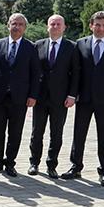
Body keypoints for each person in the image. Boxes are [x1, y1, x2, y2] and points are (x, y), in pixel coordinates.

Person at [62, 10, 104, 187]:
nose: (101, 28)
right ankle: (76, 166)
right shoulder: (81, 44)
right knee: (79, 134)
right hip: (84, 98)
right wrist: (72, 94)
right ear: (91, 25)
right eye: (97, 25)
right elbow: (76, 72)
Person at [0, 13, 40, 177]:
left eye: (20, 24)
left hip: (20, 97)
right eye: (14, 23)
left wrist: (33, 95)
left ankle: (10, 162)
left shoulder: (31, 48)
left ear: (25, 28)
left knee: (15, 132)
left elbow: (35, 74)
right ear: (8, 25)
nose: (17, 27)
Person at [28, 15, 79, 178]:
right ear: (47, 26)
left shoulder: (72, 47)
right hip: (40, 98)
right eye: (52, 24)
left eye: (58, 24)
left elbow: (76, 74)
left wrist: (72, 95)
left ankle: (52, 164)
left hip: (60, 98)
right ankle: (34, 163)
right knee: (37, 132)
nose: (55, 26)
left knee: (56, 133)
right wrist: (31, 94)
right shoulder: (38, 45)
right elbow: (32, 73)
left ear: (64, 27)